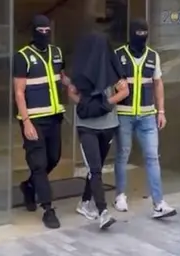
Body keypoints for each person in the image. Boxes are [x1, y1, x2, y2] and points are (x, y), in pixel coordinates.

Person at [113, 19, 177, 219]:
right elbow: (111, 82)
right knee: (123, 154)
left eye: (145, 33)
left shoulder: (153, 56)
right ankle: (120, 195)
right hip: (124, 114)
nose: (142, 37)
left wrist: (161, 111)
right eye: (138, 33)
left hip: (148, 115)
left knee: (152, 157)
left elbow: (158, 84)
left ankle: (158, 203)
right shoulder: (118, 55)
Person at [67, 32, 129, 230]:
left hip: (108, 126)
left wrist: (103, 104)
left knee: (96, 170)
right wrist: (90, 105)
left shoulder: (114, 70)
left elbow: (125, 92)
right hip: (87, 128)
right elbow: (72, 93)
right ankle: (103, 212)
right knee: (94, 169)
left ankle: (84, 203)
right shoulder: (81, 73)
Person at [12, 15, 68, 229]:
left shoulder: (57, 52)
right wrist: (26, 121)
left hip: (54, 118)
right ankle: (48, 209)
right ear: (34, 32)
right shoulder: (22, 57)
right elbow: (19, 92)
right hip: (33, 119)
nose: (45, 33)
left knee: (53, 158)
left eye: (48, 30)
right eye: (41, 30)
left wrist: (74, 88)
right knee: (39, 164)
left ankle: (28, 186)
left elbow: (61, 77)